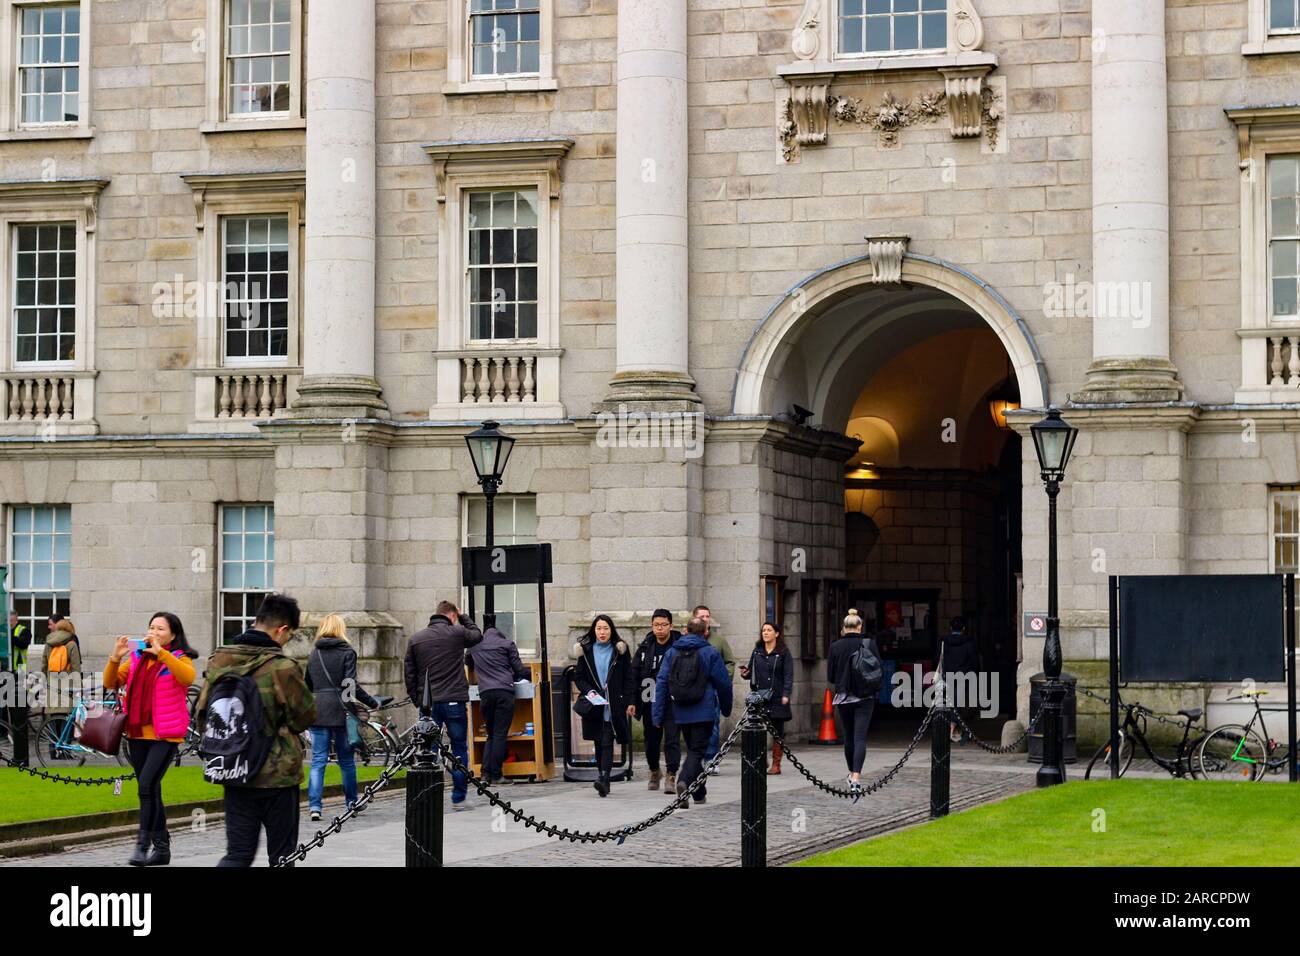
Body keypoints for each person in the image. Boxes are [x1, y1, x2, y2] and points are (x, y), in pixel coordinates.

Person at [199, 593, 316, 868]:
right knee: (282, 856)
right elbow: (304, 718)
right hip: (277, 775)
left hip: (234, 766)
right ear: (282, 629)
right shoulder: (283, 667)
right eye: (289, 636)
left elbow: (203, 713)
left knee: (238, 854)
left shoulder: (219, 660)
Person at [104, 613, 199, 866]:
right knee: (151, 790)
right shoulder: (137, 658)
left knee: (145, 786)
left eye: (160, 628)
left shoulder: (178, 658)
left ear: (173, 635)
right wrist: (116, 656)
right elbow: (110, 681)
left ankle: (142, 846)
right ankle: (162, 849)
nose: (154, 632)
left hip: (165, 735)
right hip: (137, 733)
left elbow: (187, 678)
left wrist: (162, 653)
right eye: (151, 627)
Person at [404, 600, 483, 806]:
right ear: (452, 615)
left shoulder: (416, 639)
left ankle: (426, 794)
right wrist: (464, 616)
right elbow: (476, 634)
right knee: (458, 748)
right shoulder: (457, 633)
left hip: (428, 704)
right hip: (454, 700)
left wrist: (416, 699)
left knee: (426, 750)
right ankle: (458, 796)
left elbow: (409, 673)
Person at [304, 613, 382, 822]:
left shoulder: (314, 654)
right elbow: (350, 686)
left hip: (318, 711)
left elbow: (308, 685)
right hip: (340, 712)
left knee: (318, 760)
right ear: (341, 629)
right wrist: (370, 703)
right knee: (346, 761)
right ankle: (350, 802)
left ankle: (314, 806)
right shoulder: (347, 652)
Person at [653, 616, 732, 808]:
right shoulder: (710, 652)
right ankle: (684, 781)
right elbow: (723, 683)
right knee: (697, 752)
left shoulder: (672, 652)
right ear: (705, 632)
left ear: (685, 631)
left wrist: (657, 713)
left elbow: (661, 683)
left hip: (680, 710)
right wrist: (726, 707)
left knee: (693, 751)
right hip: (703, 711)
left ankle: (699, 794)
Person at [572, 615, 635, 797]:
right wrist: (590, 692)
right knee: (599, 741)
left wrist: (629, 700)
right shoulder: (585, 651)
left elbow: (628, 677)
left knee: (607, 739)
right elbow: (580, 677)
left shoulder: (619, 650)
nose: (602, 632)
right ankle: (602, 776)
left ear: (611, 630)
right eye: (599, 628)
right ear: (594, 630)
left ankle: (605, 778)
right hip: (594, 704)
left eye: (606, 628)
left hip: (614, 702)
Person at [466, 622, 530, 787]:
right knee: (500, 734)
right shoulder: (507, 644)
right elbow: (519, 670)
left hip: (485, 694)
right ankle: (497, 774)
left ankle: (485, 775)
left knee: (491, 734)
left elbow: (468, 663)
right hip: (504, 692)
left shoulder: (474, 646)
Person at [826, 610, 883, 793]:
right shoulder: (868, 643)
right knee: (860, 738)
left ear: (843, 628)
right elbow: (878, 668)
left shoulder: (835, 646)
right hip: (865, 696)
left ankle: (851, 772)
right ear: (860, 627)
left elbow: (831, 676)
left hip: (844, 697)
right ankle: (857, 776)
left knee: (849, 737)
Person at [628, 609, 680, 791]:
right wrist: (632, 700)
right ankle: (654, 770)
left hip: (672, 698)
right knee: (650, 740)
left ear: (671, 626)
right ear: (652, 626)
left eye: (664, 625)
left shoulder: (678, 646)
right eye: (656, 625)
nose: (660, 629)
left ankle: (671, 775)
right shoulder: (645, 647)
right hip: (649, 695)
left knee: (672, 738)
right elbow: (633, 675)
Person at [739, 620, 793, 775]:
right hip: (760, 697)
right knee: (758, 728)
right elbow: (751, 671)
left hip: (777, 696)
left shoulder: (783, 652)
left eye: (769, 630)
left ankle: (776, 763)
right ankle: (762, 759)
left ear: (776, 633)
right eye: (764, 630)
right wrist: (745, 673)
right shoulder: (757, 651)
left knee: (777, 731)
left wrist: (786, 694)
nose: (766, 633)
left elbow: (788, 675)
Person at [695, 605, 734, 774]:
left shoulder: (718, 640)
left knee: (713, 726)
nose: (706, 619)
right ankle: (696, 758)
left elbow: (729, 662)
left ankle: (711, 759)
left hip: (713, 690)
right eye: (702, 616)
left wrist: (723, 678)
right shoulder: (690, 638)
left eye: (707, 616)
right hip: (694, 689)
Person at [940, 616, 979, 744]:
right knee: (960, 705)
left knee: (951, 704)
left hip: (948, 676)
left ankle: (954, 729)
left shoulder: (944, 643)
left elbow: (940, 660)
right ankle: (955, 729)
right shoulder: (969, 643)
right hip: (964, 677)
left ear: (951, 628)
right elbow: (974, 662)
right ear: (963, 629)